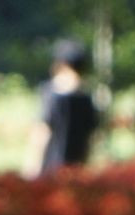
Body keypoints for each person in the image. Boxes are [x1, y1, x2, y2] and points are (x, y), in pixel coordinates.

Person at [37, 39, 100, 172]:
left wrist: (33, 167)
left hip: (51, 169)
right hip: (77, 169)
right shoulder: (86, 97)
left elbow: (43, 132)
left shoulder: (50, 93)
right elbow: (92, 137)